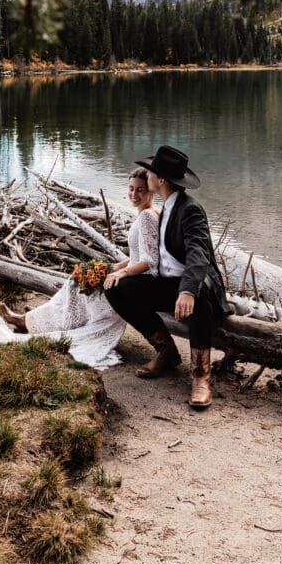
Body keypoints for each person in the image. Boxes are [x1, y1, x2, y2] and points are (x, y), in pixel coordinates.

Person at [0, 169, 160, 370]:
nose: (134, 195)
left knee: (80, 289)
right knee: (77, 280)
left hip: (136, 283)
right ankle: (32, 320)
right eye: (131, 189)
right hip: (132, 274)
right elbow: (139, 254)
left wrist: (120, 273)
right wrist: (113, 266)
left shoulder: (146, 217)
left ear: (151, 191)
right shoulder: (145, 215)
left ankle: (31, 322)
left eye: (140, 190)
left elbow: (149, 261)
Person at [104, 145, 230, 410]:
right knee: (118, 289)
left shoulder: (190, 209)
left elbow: (199, 254)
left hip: (194, 284)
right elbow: (156, 253)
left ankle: (200, 377)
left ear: (160, 180)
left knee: (199, 297)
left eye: (150, 172)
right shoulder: (165, 208)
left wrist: (187, 290)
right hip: (166, 282)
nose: (146, 175)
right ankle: (166, 351)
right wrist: (121, 269)